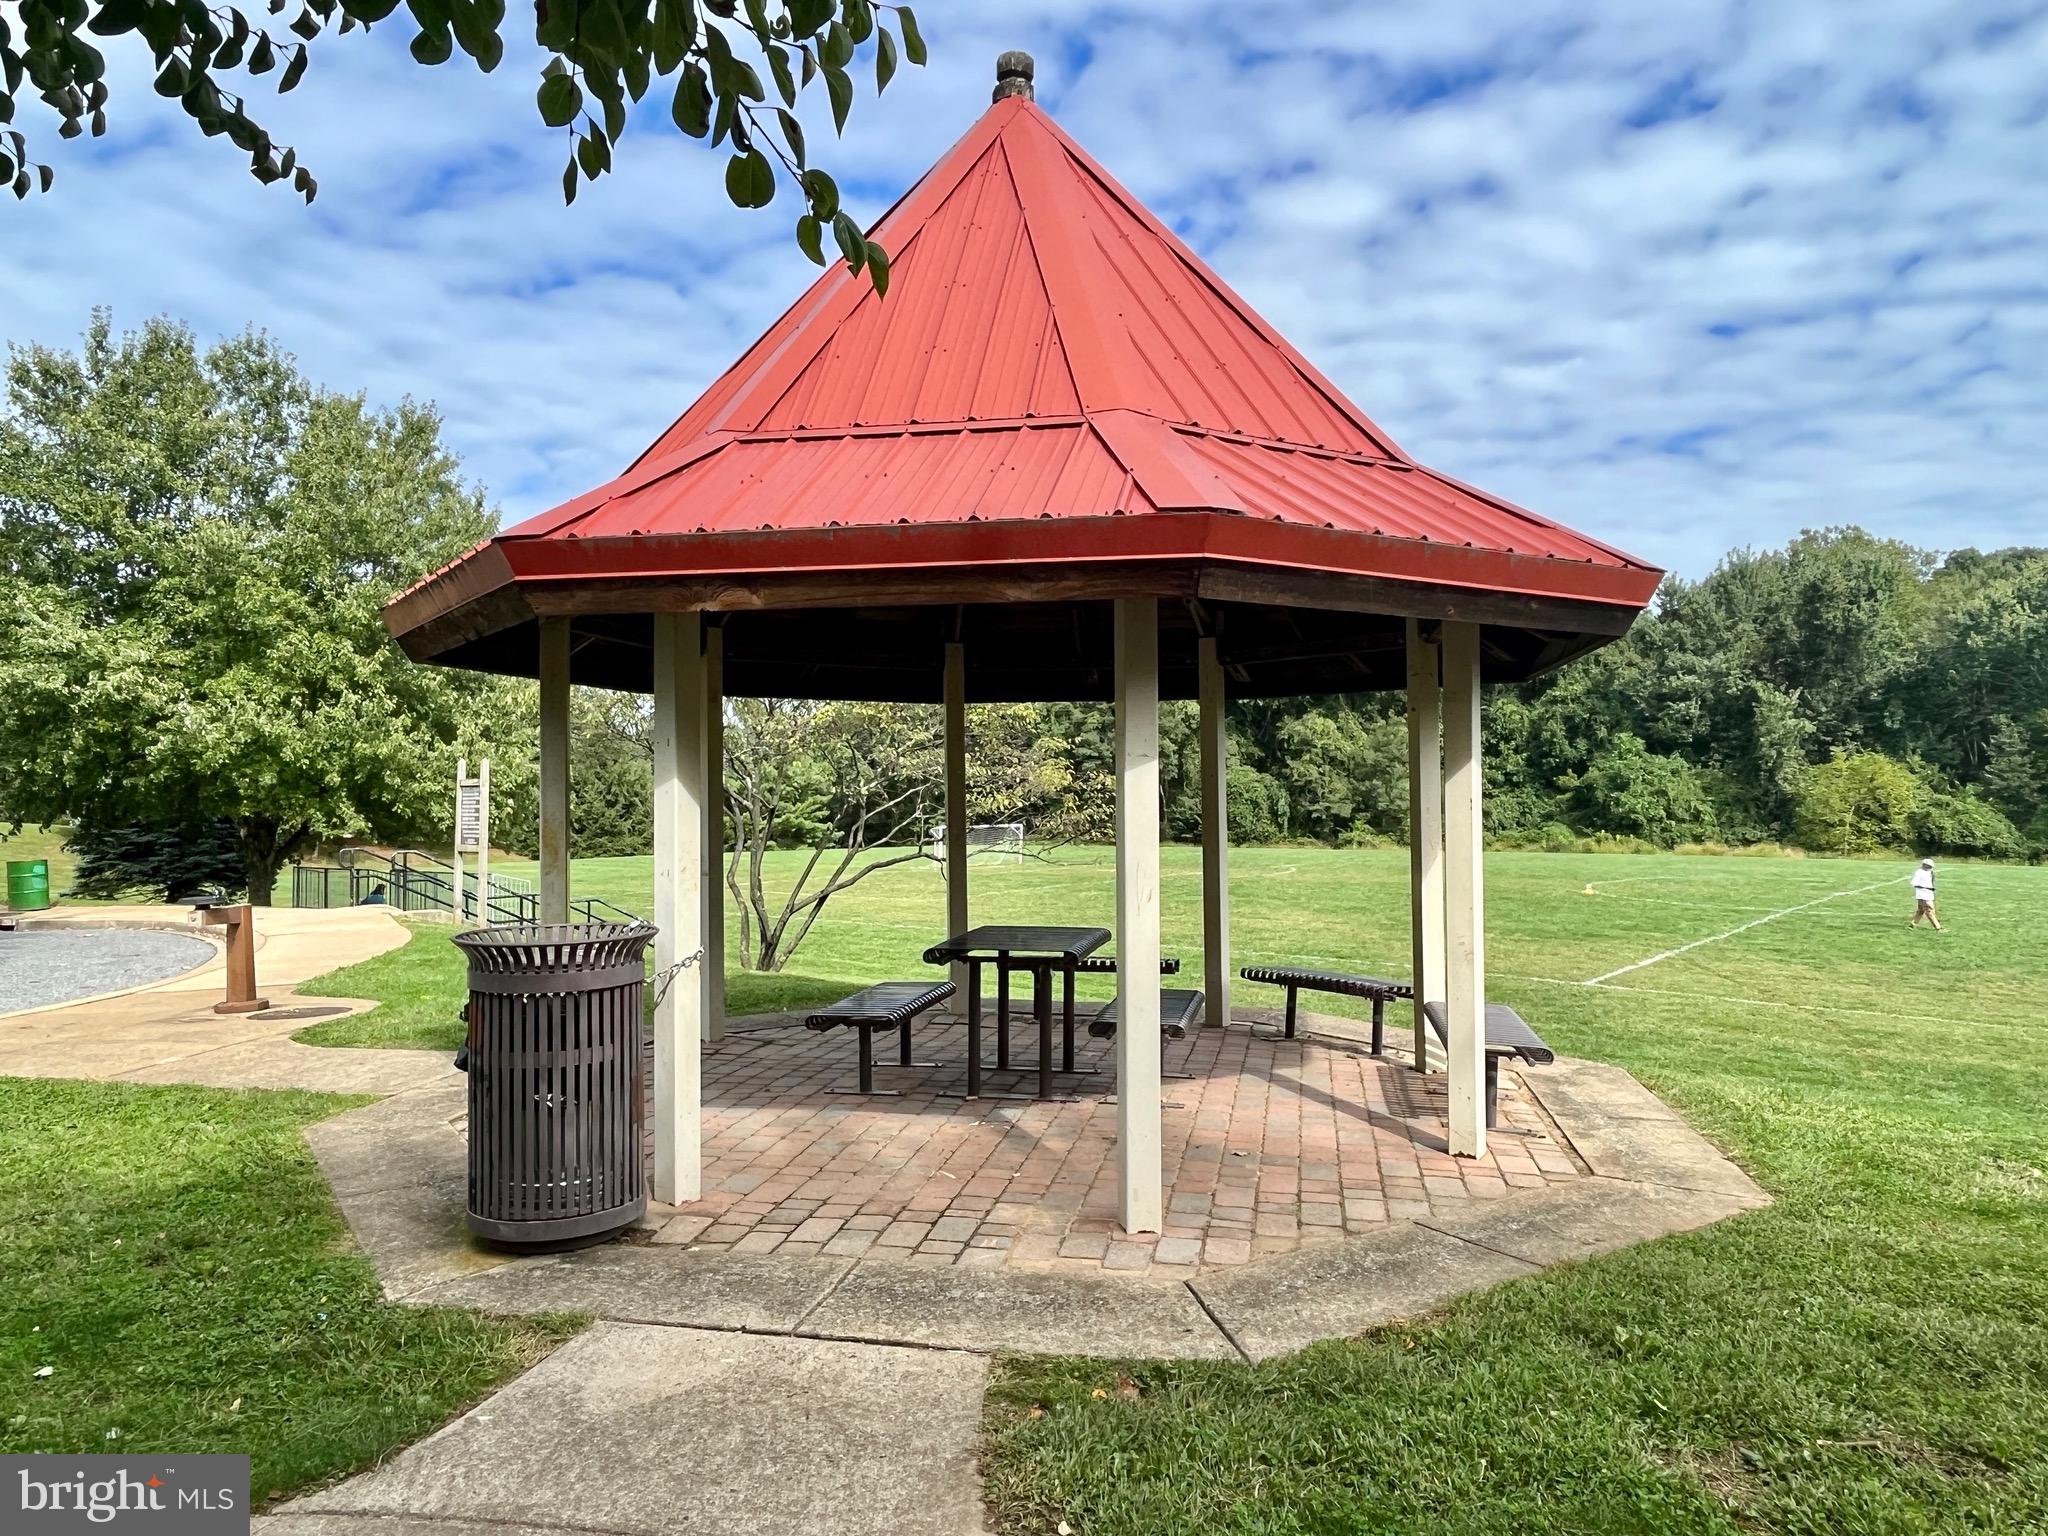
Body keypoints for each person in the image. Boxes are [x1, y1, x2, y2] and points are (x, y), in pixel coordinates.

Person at [1909, 858, 1942, 930]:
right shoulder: (1919, 872)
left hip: (1929, 893)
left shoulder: (1930, 872)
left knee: (1921, 910)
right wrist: (1925, 888)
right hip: (1923, 894)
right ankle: (1938, 928)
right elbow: (1914, 883)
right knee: (1930, 910)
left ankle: (1912, 924)